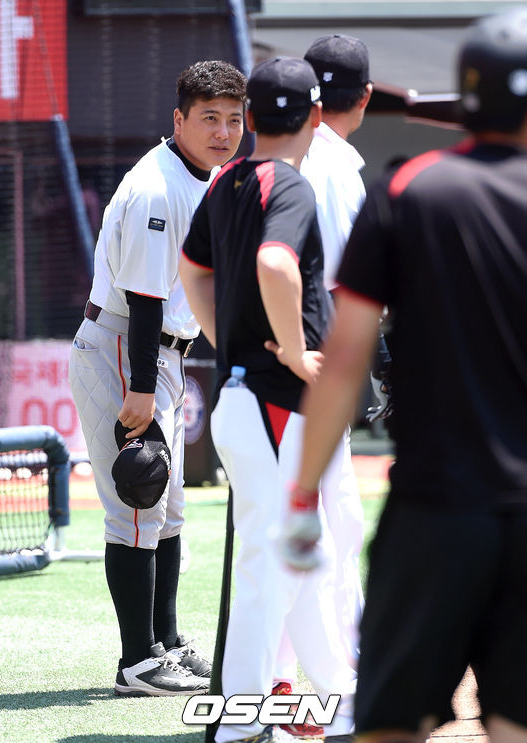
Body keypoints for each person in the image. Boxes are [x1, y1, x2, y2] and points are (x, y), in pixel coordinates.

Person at [282, 9, 527, 743]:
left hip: (434, 510)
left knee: (388, 726)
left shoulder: (409, 188)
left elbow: (345, 356)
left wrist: (302, 492)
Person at [180, 57, 356, 743]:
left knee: (298, 556)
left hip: (246, 400)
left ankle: (342, 697)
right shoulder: (289, 183)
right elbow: (276, 262)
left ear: (250, 117)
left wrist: (230, 340)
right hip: (276, 402)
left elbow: (193, 269)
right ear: (317, 116)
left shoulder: (228, 181)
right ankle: (242, 719)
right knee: (275, 561)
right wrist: (291, 349)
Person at [69, 59, 246, 697]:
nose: (223, 131)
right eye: (209, 118)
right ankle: (135, 662)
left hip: (156, 351)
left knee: (167, 507)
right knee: (138, 499)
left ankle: (165, 643)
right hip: (125, 347)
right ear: (179, 119)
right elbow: (144, 299)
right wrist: (141, 389)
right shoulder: (156, 187)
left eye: (233, 119)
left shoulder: (207, 176)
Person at [272, 36, 373, 710]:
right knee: (328, 523)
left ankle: (294, 666)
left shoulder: (272, 160)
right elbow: (348, 284)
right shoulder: (336, 166)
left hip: (274, 359)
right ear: (363, 97)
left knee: (314, 519)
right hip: (316, 360)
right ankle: (327, 670)